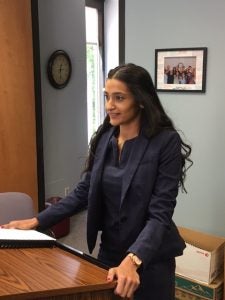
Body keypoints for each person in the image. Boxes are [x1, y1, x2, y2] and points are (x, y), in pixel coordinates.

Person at [2, 63, 193, 300]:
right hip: (110, 252)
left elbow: (160, 213)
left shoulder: (165, 143)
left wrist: (134, 259)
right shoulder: (105, 137)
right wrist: (36, 220)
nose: (109, 106)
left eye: (119, 98)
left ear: (141, 101)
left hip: (150, 258)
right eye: (107, 97)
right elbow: (84, 191)